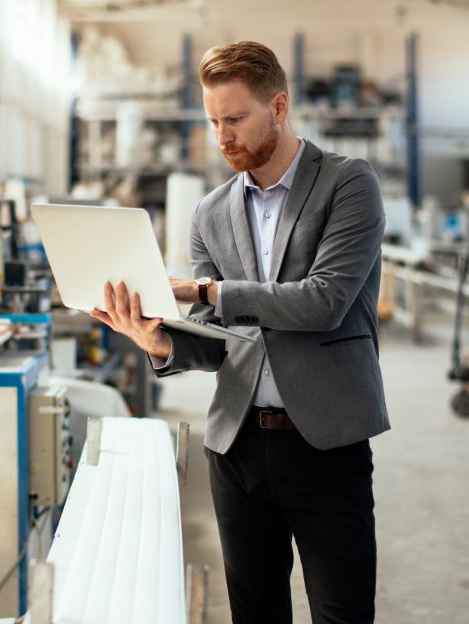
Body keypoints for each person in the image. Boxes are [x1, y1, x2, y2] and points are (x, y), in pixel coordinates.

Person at [89, 41, 390, 623]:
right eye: (212, 122)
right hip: (236, 448)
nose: (222, 136)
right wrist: (159, 340)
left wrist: (204, 290)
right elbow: (216, 335)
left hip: (327, 441)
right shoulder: (210, 212)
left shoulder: (348, 184)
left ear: (278, 107)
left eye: (235, 119)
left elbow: (324, 301)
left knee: (343, 614)